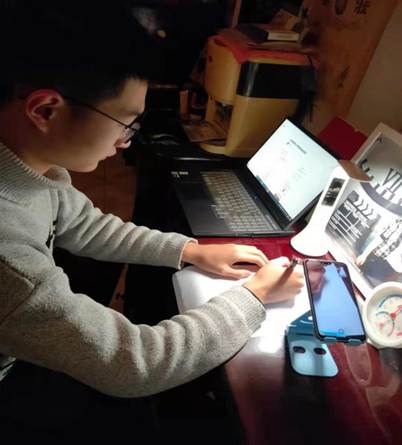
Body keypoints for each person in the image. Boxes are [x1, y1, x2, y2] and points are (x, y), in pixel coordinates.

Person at [0, 1, 304, 442]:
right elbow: (134, 364)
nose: (126, 142)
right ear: (45, 110)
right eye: (125, 123)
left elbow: (85, 225)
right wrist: (253, 297)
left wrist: (189, 249)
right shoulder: (9, 258)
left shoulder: (31, 169)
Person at [355, 218, 402, 287]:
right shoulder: (398, 224)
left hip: (391, 271)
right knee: (359, 282)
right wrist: (364, 255)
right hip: (375, 259)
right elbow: (379, 239)